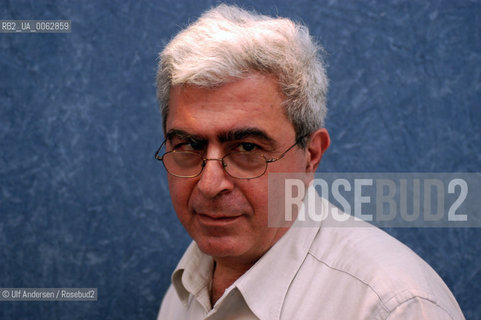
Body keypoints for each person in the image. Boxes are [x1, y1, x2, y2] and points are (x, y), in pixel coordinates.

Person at [154, 4, 465, 319]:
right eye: (188, 145)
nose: (209, 185)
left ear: (311, 156)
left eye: (247, 148)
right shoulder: (186, 287)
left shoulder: (393, 307)